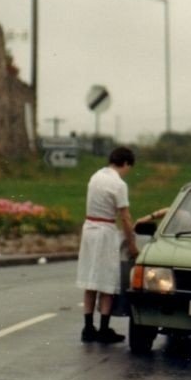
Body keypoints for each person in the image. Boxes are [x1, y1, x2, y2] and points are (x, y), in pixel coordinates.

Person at [76, 147, 139, 344]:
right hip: (105, 231)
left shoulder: (95, 177)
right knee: (107, 281)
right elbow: (126, 217)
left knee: (90, 279)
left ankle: (87, 327)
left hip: (89, 229)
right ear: (126, 163)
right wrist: (132, 244)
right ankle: (103, 328)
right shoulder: (118, 184)